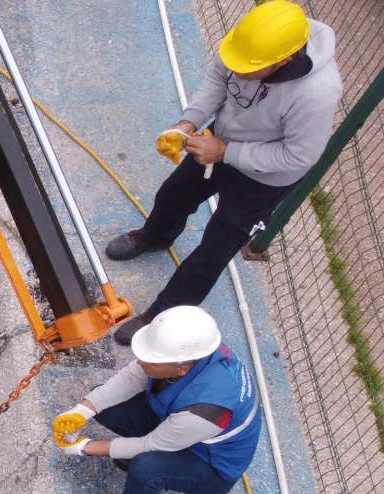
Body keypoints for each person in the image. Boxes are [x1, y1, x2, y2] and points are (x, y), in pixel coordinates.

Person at [105, 1, 342, 346]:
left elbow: (299, 156)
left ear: (283, 61)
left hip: (263, 178)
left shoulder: (317, 93)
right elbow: (219, 78)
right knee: (172, 196)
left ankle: (163, 316)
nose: (238, 72)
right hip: (220, 142)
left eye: (247, 70)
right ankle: (156, 236)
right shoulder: (248, 46)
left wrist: (228, 152)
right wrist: (189, 122)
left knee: (212, 252)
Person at [52, 306, 261, 494]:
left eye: (149, 359)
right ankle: (152, 464)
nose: (140, 361)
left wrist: (84, 447)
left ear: (181, 368)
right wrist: (82, 411)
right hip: (180, 429)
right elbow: (130, 378)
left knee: (147, 468)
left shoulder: (206, 409)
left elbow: (148, 445)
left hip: (211, 465)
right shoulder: (187, 354)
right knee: (103, 402)